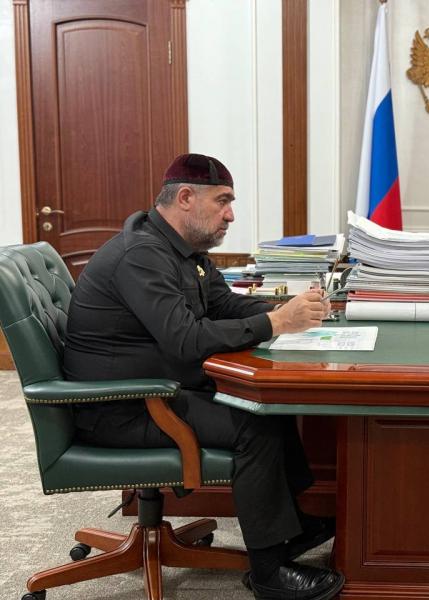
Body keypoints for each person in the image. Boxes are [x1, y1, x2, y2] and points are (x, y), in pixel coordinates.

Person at [63, 153, 344, 600]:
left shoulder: (182, 250)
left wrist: (288, 310)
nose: (231, 214)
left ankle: (292, 529)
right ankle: (269, 573)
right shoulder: (142, 255)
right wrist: (276, 323)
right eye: (223, 201)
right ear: (186, 198)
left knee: (268, 406)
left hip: (159, 390)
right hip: (119, 406)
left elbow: (223, 305)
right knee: (254, 423)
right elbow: (185, 339)